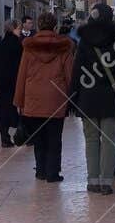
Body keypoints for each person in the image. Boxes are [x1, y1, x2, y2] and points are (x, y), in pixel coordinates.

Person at [71, 3, 115, 194]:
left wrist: (74, 96)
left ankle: (93, 180)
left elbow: (77, 71)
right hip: (109, 97)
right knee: (109, 140)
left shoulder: (84, 42)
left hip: (87, 97)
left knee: (91, 140)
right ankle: (106, 181)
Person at [14, 11, 74, 182]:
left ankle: (40, 170)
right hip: (57, 98)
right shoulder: (64, 47)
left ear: (39, 26)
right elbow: (69, 74)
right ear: (55, 26)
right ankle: (52, 173)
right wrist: (72, 98)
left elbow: (22, 75)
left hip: (34, 99)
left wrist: (19, 101)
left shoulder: (29, 48)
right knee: (55, 138)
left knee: (39, 138)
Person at [0, 19, 25, 146]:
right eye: (18, 28)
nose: (20, 31)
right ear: (13, 29)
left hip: (1, 83)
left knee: (3, 109)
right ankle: (22, 134)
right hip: (16, 82)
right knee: (18, 107)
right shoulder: (18, 45)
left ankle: (4, 137)